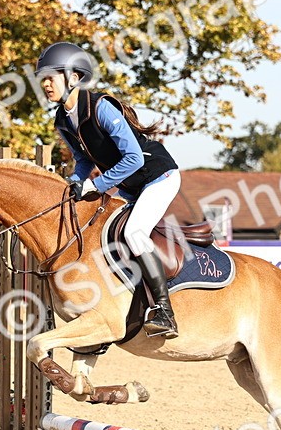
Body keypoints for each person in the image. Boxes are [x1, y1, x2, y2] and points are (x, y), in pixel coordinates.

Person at [35, 42, 182, 338]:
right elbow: (83, 159)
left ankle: (164, 310)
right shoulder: (63, 119)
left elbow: (134, 158)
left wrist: (96, 184)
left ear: (74, 78)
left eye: (52, 76)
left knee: (133, 233)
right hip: (131, 187)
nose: (46, 84)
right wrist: (75, 182)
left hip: (158, 177)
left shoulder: (100, 106)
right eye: (44, 79)